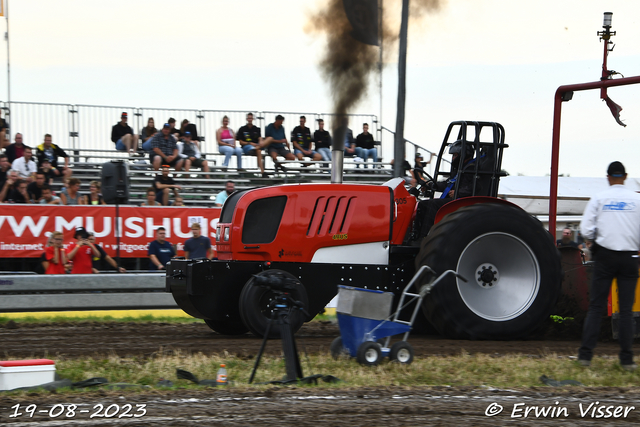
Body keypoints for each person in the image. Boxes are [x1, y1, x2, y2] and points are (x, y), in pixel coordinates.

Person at [578, 161, 640, 371]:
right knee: (625, 311)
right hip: (630, 257)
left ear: (608, 177)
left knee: (596, 308)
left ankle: (586, 356)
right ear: (625, 176)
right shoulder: (637, 199)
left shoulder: (599, 198)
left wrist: (595, 240)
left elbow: (585, 229)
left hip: (605, 256)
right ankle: (626, 360)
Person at [237, 112, 267, 177]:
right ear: (247, 119)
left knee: (259, 150)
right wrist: (249, 143)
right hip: (247, 147)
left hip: (256, 146)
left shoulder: (257, 129)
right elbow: (240, 142)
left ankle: (262, 172)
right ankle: (262, 172)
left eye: (251, 118)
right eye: (249, 118)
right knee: (258, 150)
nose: (250, 119)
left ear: (253, 119)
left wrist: (261, 141)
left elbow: (259, 138)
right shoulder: (242, 129)